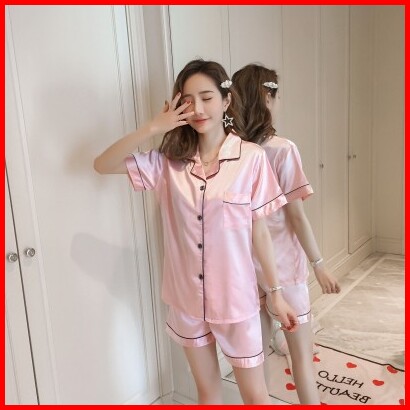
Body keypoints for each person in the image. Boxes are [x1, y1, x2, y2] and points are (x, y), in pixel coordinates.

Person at [94, 59, 298, 404]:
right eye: (188, 100)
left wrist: (276, 293)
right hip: (186, 300)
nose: (198, 109)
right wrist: (151, 128)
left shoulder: (250, 158)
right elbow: (102, 165)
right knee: (207, 391)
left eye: (207, 97)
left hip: (236, 300)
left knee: (255, 396)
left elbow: (259, 232)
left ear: (226, 100)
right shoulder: (167, 162)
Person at [232, 63, 341, 404]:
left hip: (246, 268)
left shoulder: (231, 150)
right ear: (267, 97)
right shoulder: (282, 149)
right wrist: (319, 264)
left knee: (257, 358)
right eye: (277, 96)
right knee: (301, 358)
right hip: (283, 269)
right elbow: (296, 216)